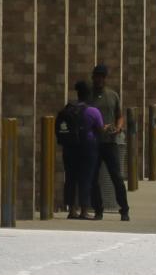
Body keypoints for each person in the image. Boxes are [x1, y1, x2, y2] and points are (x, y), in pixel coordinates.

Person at [56, 80, 104, 219]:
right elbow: (100, 129)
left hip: (69, 148)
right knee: (86, 179)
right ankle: (84, 210)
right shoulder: (93, 111)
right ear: (89, 95)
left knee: (71, 178)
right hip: (87, 148)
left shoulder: (69, 109)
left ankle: (71, 210)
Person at [90, 64, 131, 221]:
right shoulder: (89, 97)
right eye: (97, 76)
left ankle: (124, 209)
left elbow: (119, 116)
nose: (99, 79)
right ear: (93, 78)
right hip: (94, 142)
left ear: (105, 79)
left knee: (116, 177)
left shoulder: (113, 95)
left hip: (110, 142)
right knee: (93, 178)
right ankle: (98, 210)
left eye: (102, 77)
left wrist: (119, 127)